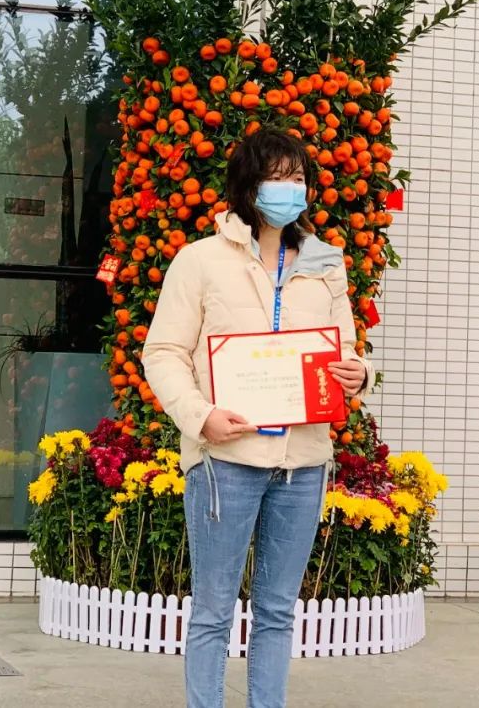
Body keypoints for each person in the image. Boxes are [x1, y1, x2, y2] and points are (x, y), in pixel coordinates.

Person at [142, 126, 372, 708]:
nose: (288, 188)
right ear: (248, 184)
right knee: (213, 611)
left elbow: (345, 347)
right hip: (226, 459)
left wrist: (358, 373)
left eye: (297, 177)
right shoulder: (200, 260)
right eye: (276, 176)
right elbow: (163, 352)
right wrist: (201, 417)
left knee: (276, 611)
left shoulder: (325, 262)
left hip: (303, 461)